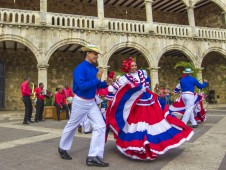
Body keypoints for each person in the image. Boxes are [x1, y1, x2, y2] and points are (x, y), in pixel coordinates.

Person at [106, 57, 194, 160]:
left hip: (148, 100)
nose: (134, 67)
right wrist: (108, 86)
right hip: (137, 104)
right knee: (138, 124)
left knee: (154, 121)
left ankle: (151, 144)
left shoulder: (142, 73)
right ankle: (140, 145)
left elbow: (145, 85)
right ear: (128, 67)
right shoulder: (125, 78)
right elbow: (114, 88)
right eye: (132, 65)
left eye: (135, 65)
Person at [58, 44, 112, 167]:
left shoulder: (93, 69)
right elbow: (82, 86)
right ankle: (62, 147)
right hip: (80, 101)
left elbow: (97, 86)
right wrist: (97, 79)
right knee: (72, 125)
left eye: (97, 54)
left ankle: (93, 156)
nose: (96, 56)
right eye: (94, 54)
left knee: (100, 126)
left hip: (91, 102)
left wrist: (105, 83)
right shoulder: (80, 68)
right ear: (87, 53)